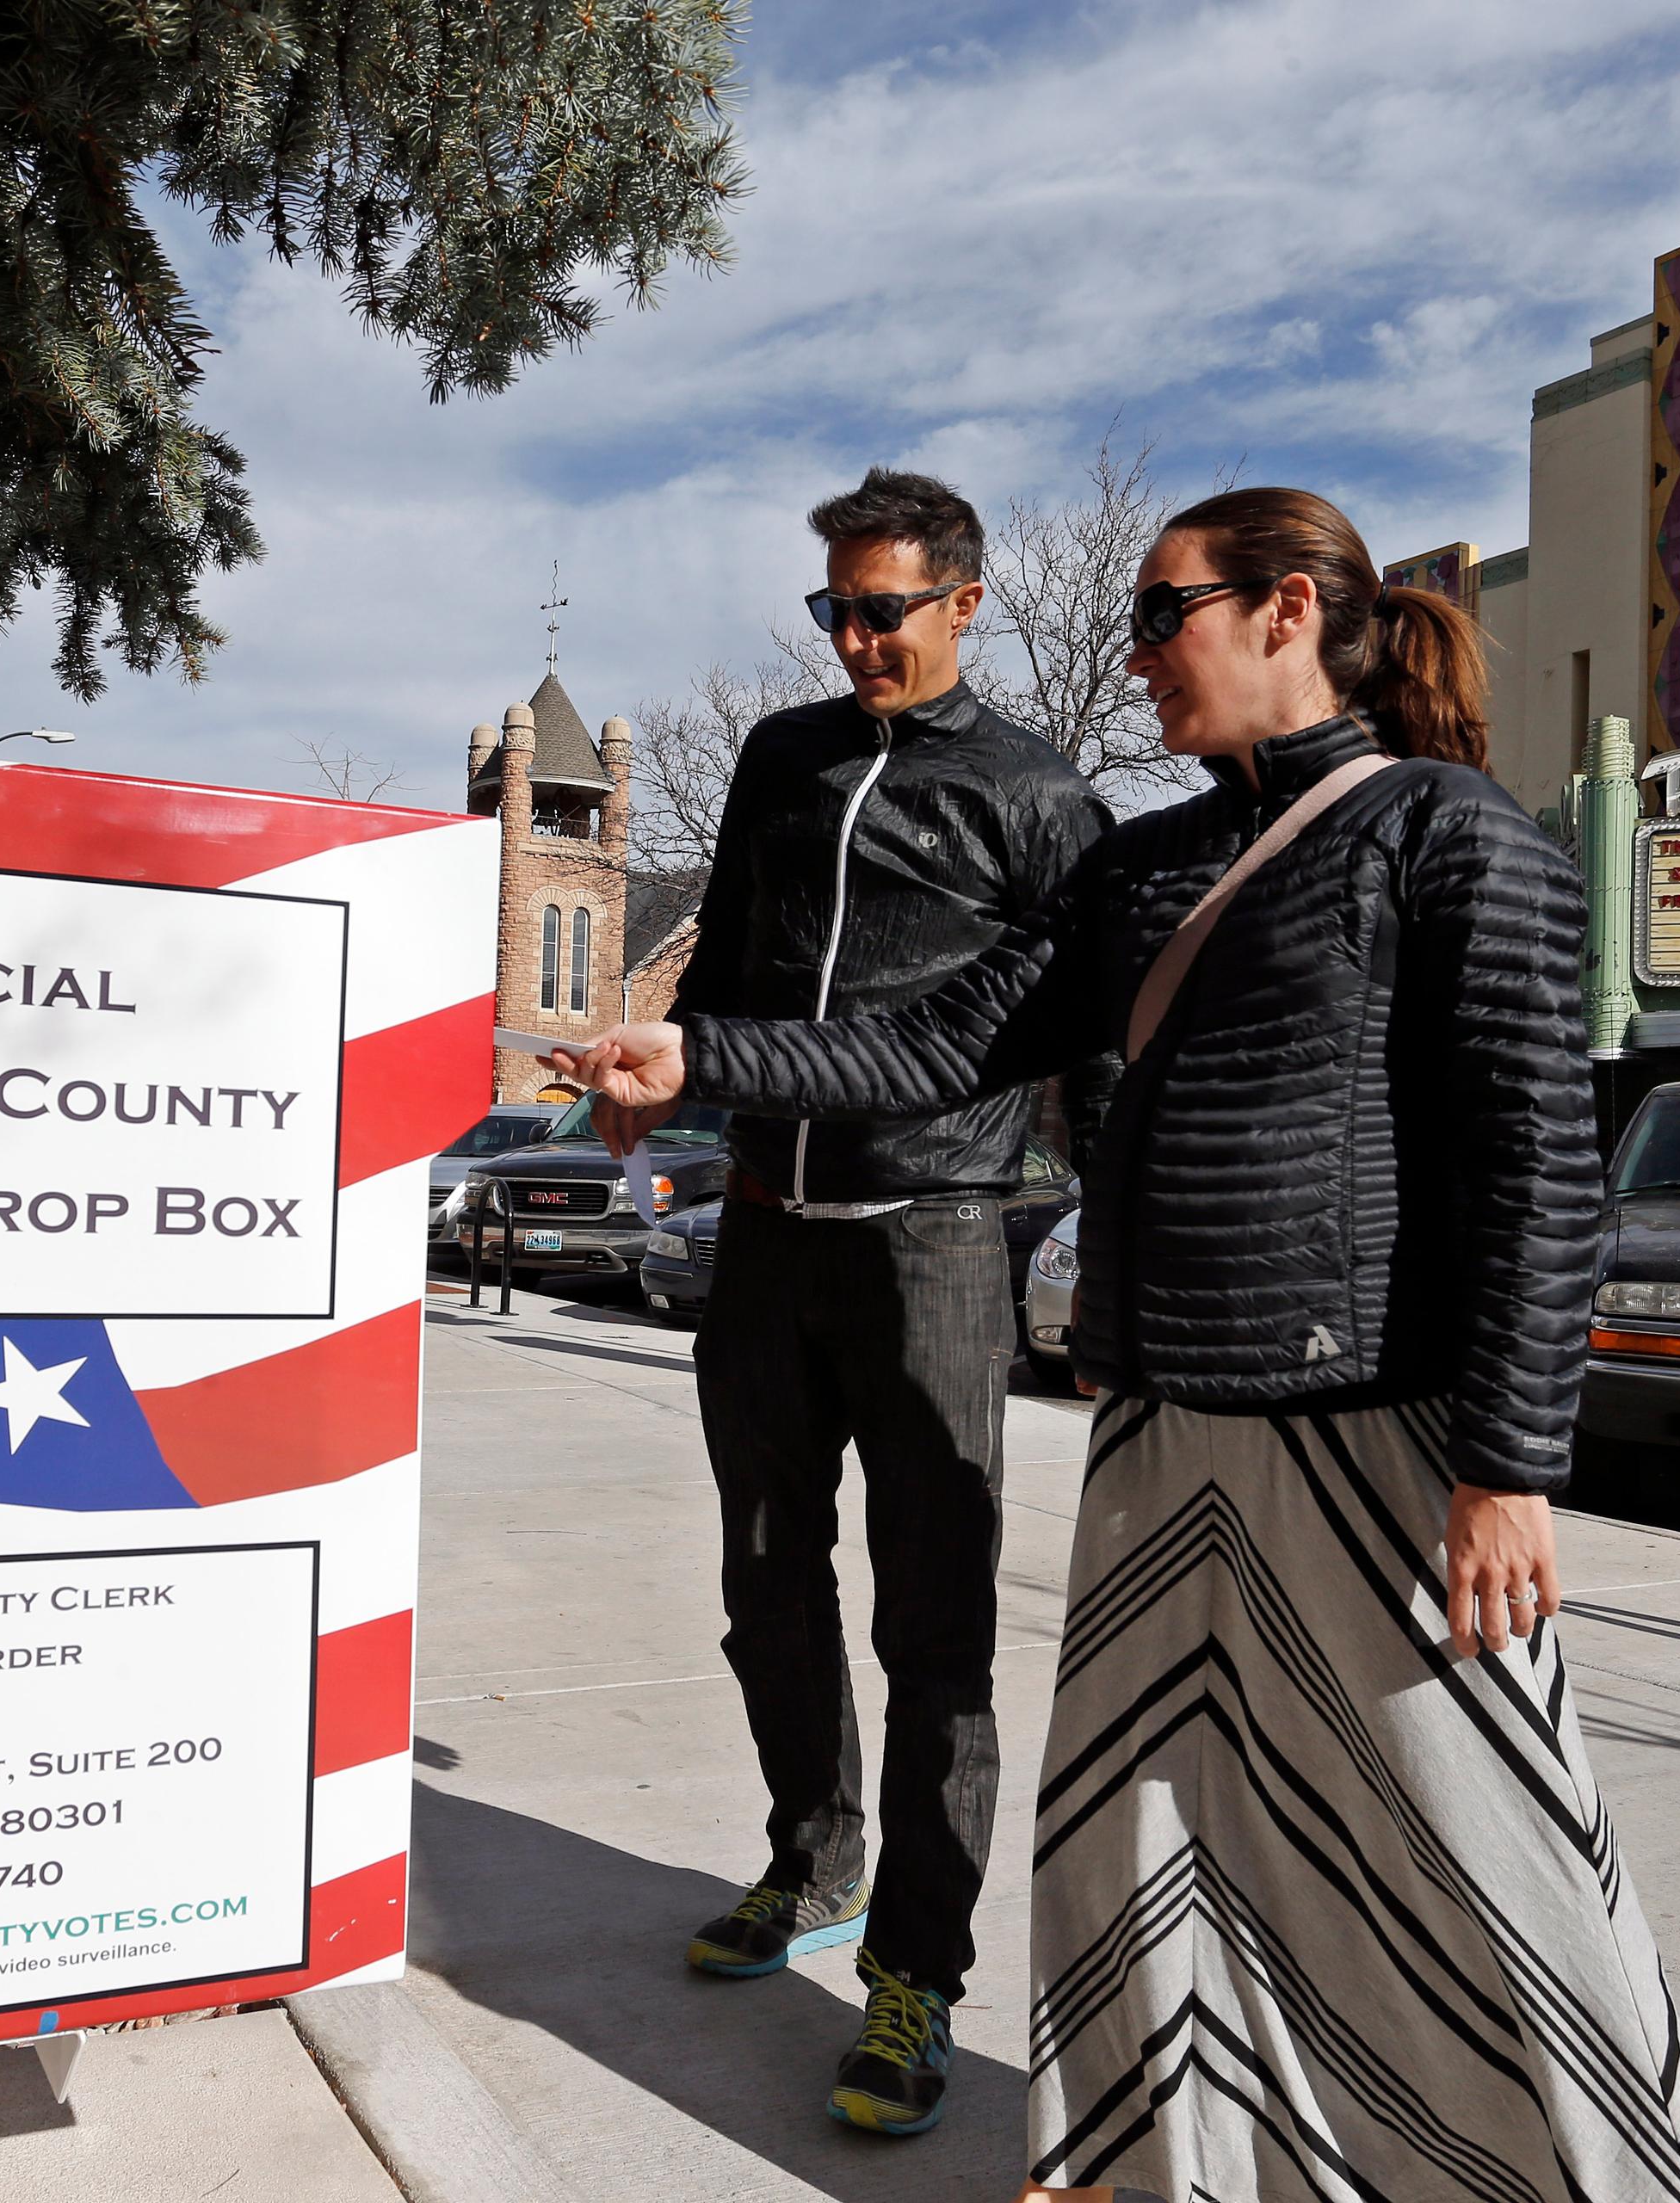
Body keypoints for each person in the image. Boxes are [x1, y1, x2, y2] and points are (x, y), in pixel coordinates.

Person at [560, 488, 1680, 2200]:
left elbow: (1538, 1173)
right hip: (1164, 1441)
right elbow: (937, 1046)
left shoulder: (1450, 836)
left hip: (1375, 1443)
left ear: (1287, 608)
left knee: (1484, 1860)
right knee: (1137, 1840)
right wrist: (706, 1061)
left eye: (1159, 615)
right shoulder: (1143, 862)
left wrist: (1510, 1463)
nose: (1134, 659)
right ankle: (1152, 2160)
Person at [633, 466, 1116, 2141]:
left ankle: (915, 1971)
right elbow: (724, 981)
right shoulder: (784, 755)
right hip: (765, 1233)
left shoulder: (1041, 799)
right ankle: (812, 1853)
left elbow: (1094, 1040)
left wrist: (1119, 1250)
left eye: (883, 610)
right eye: (833, 609)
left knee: (937, 1634)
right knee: (768, 1584)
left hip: (938, 1250)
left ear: (964, 602)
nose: (854, 640)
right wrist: (665, 1082)